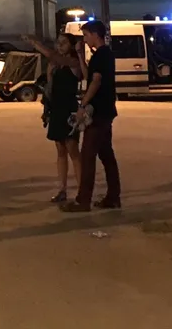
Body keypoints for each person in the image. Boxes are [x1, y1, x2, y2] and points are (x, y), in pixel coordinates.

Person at [61, 20, 121, 213]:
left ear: (95, 34)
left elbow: (95, 82)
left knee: (87, 156)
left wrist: (83, 105)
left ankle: (83, 200)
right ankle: (113, 197)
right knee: (106, 155)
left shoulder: (101, 55)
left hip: (98, 112)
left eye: (86, 35)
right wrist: (79, 54)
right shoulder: (104, 55)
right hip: (107, 111)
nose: (85, 39)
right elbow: (88, 75)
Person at [25, 32, 84, 204]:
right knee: (60, 150)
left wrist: (35, 43)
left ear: (71, 46)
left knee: (73, 149)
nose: (60, 46)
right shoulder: (55, 65)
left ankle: (82, 190)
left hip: (69, 109)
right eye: (58, 43)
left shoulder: (74, 63)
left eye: (64, 43)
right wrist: (47, 109)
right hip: (57, 109)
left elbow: (53, 55)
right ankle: (62, 189)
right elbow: (50, 90)